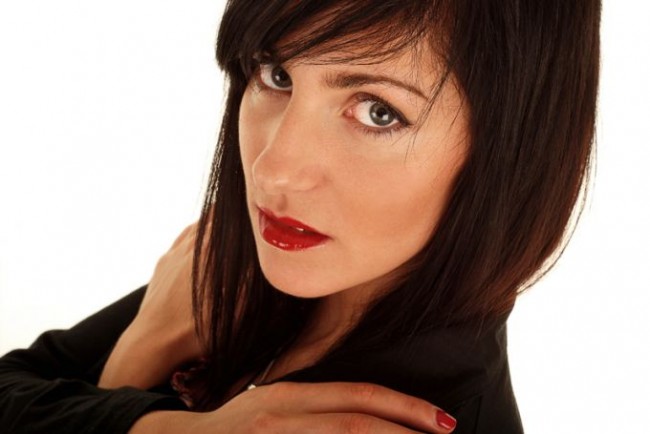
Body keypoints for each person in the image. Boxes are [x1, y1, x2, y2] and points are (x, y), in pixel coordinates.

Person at [0, 0, 601, 433]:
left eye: (378, 111)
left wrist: (129, 370)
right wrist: (150, 378)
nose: (274, 169)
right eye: (277, 75)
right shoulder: (263, 268)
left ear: (511, 153)